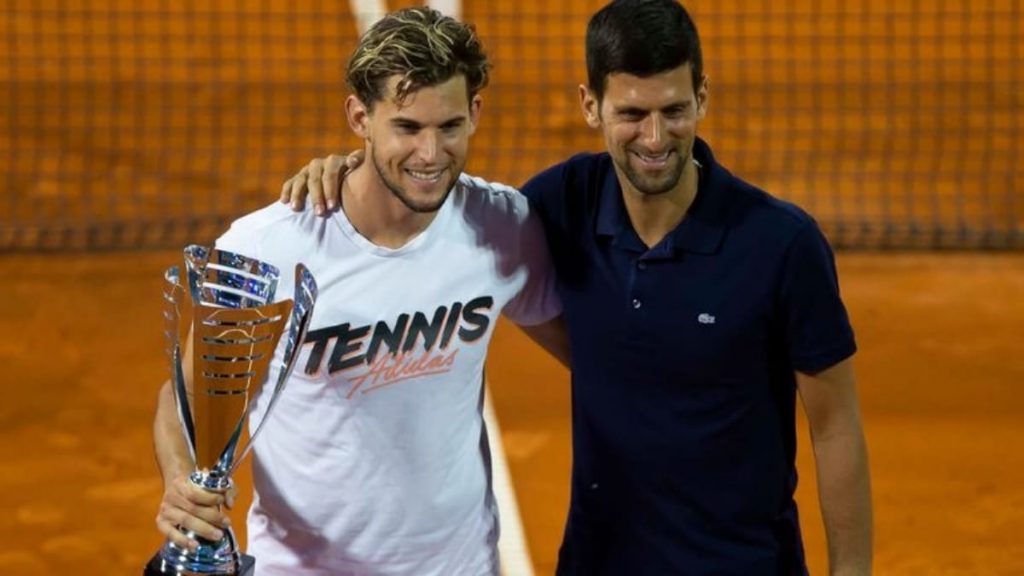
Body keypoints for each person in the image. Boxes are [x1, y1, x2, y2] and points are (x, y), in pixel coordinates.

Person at [282, 1, 873, 574]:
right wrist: (348, 169)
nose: (654, 137)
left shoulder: (781, 244)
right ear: (590, 106)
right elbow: (431, 206)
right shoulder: (558, 206)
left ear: (702, 98)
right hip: (599, 558)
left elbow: (835, 425)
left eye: (674, 110)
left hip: (741, 561)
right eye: (632, 114)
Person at [153, 7, 567, 575]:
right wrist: (182, 480)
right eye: (407, 127)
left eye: (448, 126)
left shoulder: (501, 228)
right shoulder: (267, 249)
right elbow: (186, 403)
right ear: (359, 117)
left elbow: (593, 355)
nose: (430, 154)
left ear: (474, 113)